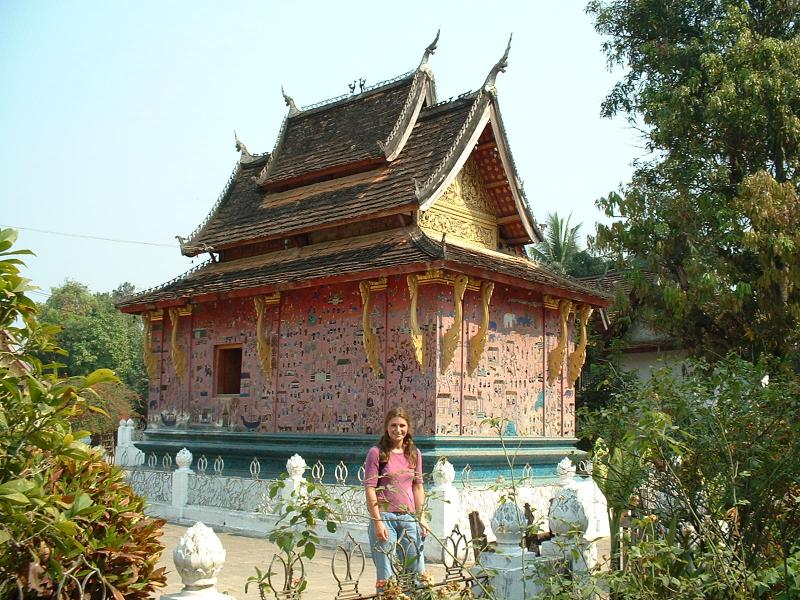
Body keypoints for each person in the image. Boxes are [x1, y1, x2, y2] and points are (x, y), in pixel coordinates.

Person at [364, 407, 428, 591]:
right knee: (387, 574)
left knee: (415, 570)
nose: (397, 430)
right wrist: (377, 521)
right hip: (385, 518)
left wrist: (421, 517)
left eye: (402, 425)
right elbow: (370, 488)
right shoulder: (377, 453)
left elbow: (418, 486)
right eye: (393, 425)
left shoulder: (414, 454)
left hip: (408, 518)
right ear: (386, 427)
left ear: (408, 428)